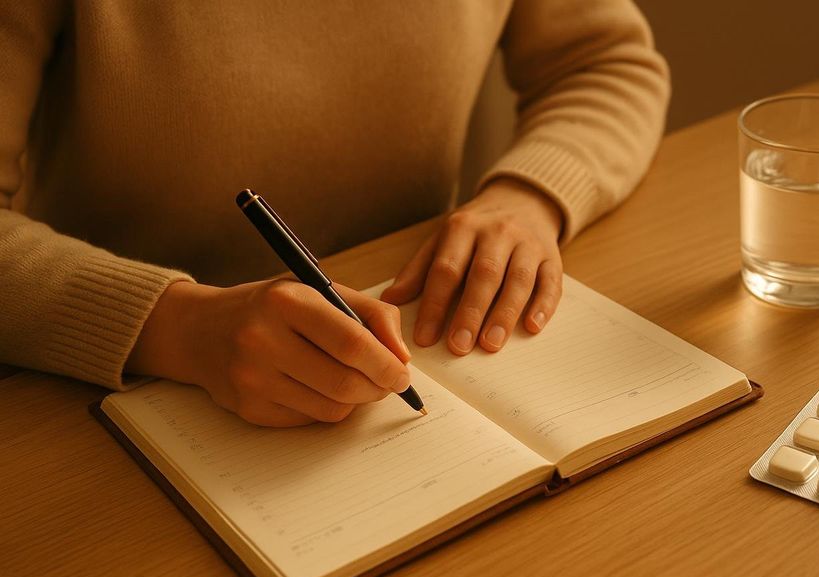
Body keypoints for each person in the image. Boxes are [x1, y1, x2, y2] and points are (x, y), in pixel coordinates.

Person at [0, 2, 669, 426]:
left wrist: (529, 195)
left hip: (406, 326)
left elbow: (605, 62)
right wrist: (179, 327)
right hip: (105, 401)